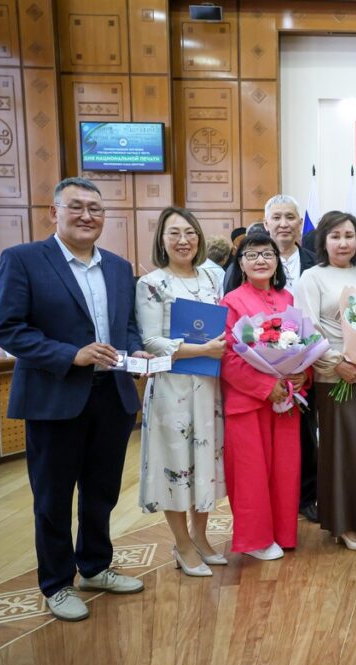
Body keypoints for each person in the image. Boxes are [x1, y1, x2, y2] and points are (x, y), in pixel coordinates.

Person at [0, 177, 148, 621]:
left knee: (102, 492)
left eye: (95, 209)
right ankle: (57, 583)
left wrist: (134, 349)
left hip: (111, 396)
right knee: (53, 498)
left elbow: (127, 325)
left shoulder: (118, 266)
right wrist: (70, 355)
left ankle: (95, 567)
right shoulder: (23, 259)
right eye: (76, 206)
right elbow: (8, 328)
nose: (86, 216)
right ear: (54, 212)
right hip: (54, 396)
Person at [135, 207, 227, 577]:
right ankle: (182, 544)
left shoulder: (212, 277)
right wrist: (202, 349)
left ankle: (201, 537)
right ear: (161, 240)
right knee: (175, 463)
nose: (183, 240)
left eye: (189, 232)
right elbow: (151, 340)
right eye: (174, 233)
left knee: (205, 461)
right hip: (171, 388)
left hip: (208, 386)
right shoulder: (151, 283)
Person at [295, 212, 356, 552]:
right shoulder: (311, 277)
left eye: (349, 236)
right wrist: (339, 364)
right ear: (323, 241)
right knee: (342, 447)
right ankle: (344, 524)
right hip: (334, 374)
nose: (343, 243)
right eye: (335, 236)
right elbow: (307, 329)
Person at [226, 197, 321, 524]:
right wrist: (266, 383)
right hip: (254, 389)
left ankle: (302, 502)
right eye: (276, 217)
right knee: (256, 461)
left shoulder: (312, 265)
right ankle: (263, 522)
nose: (283, 223)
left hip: (297, 379)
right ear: (266, 223)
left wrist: (303, 374)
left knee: (300, 446)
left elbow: (308, 330)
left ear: (299, 224)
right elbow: (231, 341)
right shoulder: (236, 282)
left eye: (290, 217)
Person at [220, 234, 310, 560]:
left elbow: (305, 343)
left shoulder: (288, 298)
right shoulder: (231, 302)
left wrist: (303, 375)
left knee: (286, 469)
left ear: (277, 261)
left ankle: (283, 533)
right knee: (251, 472)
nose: (261, 260)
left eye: (267, 254)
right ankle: (256, 540)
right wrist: (264, 386)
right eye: (252, 254)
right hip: (248, 401)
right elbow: (228, 356)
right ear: (241, 264)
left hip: (285, 399)